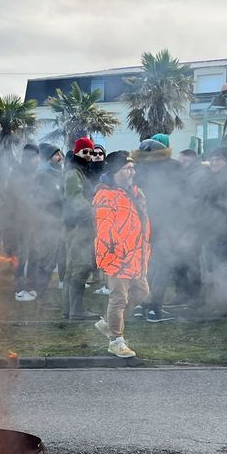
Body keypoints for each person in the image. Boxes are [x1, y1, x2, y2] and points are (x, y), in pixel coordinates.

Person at [93, 151, 150, 358]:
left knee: (142, 292)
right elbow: (104, 228)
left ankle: (110, 323)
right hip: (116, 257)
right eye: (127, 168)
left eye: (133, 167)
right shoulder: (105, 195)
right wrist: (117, 251)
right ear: (116, 171)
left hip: (137, 255)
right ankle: (115, 340)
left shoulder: (136, 192)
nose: (132, 171)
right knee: (118, 299)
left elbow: (143, 221)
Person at [131, 137, 182, 323]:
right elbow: (184, 195)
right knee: (164, 265)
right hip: (166, 224)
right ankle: (154, 308)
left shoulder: (134, 170)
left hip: (141, 226)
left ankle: (139, 305)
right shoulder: (174, 167)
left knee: (145, 266)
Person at [15, 144, 63, 302]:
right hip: (25, 222)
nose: (37, 160)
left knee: (35, 256)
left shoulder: (40, 173)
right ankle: (21, 289)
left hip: (39, 222)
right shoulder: (22, 174)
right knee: (24, 257)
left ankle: (32, 288)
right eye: (35, 157)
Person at [62, 136, 99, 320]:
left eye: (91, 152)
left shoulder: (80, 171)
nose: (88, 155)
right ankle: (76, 310)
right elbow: (75, 198)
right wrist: (94, 210)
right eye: (85, 151)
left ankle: (70, 309)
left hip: (78, 225)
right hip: (79, 226)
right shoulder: (73, 173)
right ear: (77, 152)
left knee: (73, 269)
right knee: (80, 267)